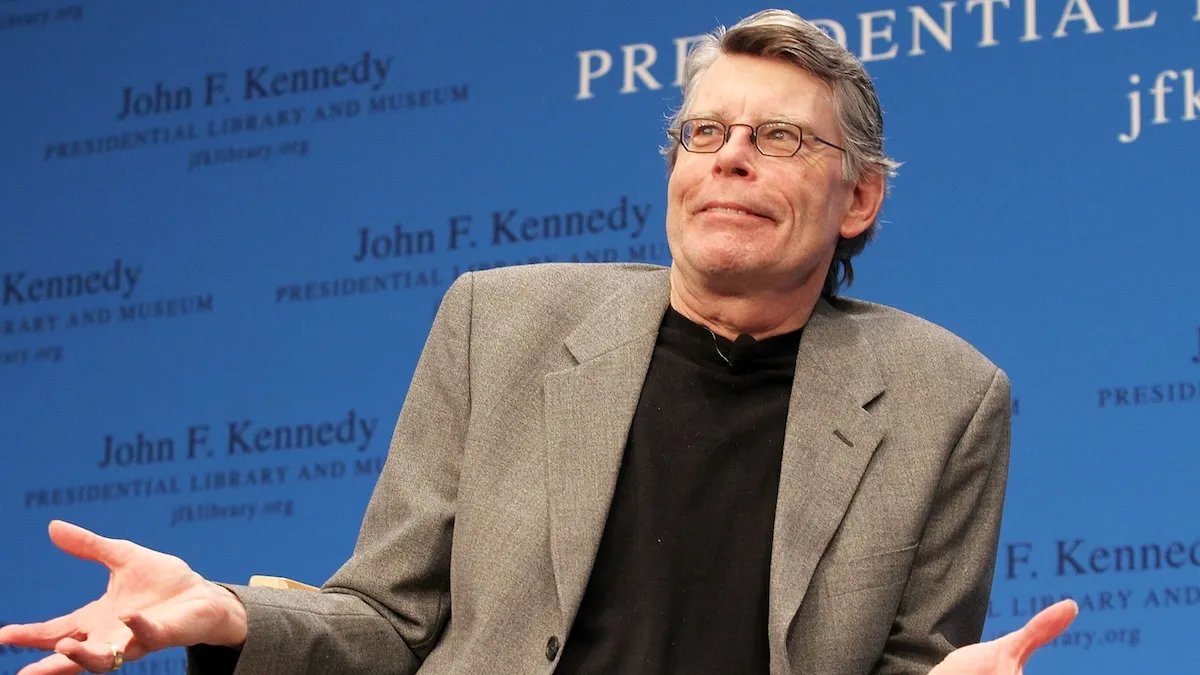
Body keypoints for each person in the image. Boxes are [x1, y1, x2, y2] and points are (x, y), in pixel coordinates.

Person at [1, 8, 1063, 675]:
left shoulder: (945, 398)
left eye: (778, 138)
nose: (729, 158)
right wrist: (226, 615)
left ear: (860, 198)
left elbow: (919, 664)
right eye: (704, 132)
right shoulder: (498, 323)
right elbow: (386, 622)